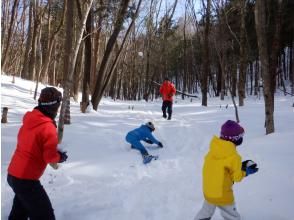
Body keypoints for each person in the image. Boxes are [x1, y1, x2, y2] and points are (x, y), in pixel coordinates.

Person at [7, 87, 68, 220]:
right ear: (55, 107)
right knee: (45, 216)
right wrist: (61, 157)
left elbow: (33, 146)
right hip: (26, 180)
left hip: (13, 175)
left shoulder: (30, 120)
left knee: (20, 210)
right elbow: (49, 157)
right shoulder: (48, 127)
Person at [195, 120, 258, 220]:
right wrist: (245, 171)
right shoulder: (234, 157)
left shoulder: (213, 151)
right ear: (235, 139)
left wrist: (238, 166)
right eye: (240, 136)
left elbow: (221, 167)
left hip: (208, 191)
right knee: (232, 215)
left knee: (206, 211)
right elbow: (236, 177)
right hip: (223, 194)